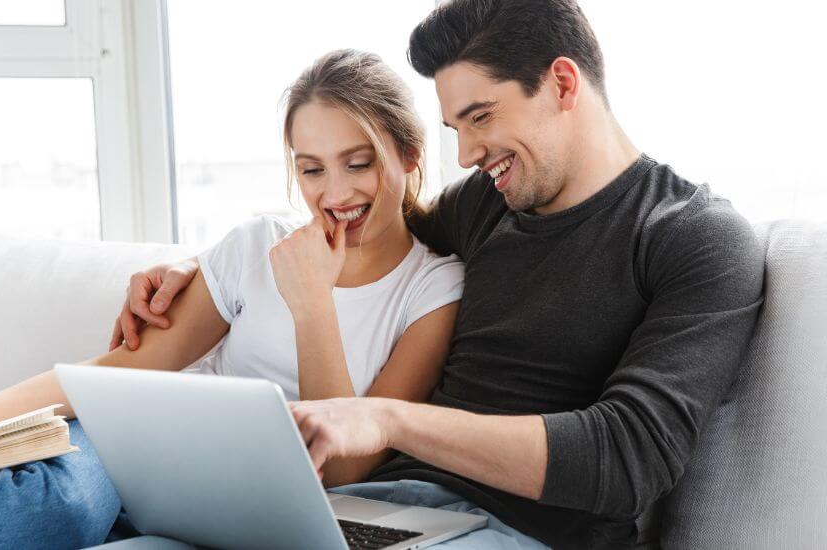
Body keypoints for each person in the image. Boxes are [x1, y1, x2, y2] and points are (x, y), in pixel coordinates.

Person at [118, 1, 766, 548]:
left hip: (517, 532)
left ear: (564, 85)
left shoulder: (694, 238)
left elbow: (627, 459)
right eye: (455, 127)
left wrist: (390, 420)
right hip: (387, 510)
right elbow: (367, 225)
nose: (466, 153)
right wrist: (194, 269)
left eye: (481, 117)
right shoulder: (487, 202)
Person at [0, 49, 465, 548]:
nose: (336, 193)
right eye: (312, 170)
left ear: (410, 153)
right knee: (52, 506)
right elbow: (122, 367)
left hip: (253, 504)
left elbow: (345, 468)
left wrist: (312, 303)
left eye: (358, 163)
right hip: (141, 454)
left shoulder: (434, 288)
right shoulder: (258, 244)